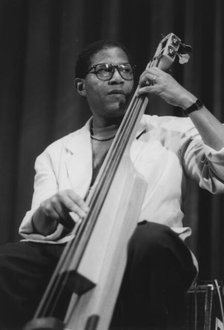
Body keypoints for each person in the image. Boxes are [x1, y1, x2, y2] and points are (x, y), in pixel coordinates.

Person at [0, 39, 224, 330]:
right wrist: (48, 211)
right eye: (104, 70)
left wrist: (185, 100)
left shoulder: (173, 131)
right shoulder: (55, 153)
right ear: (81, 86)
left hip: (149, 251)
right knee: (8, 260)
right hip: (73, 253)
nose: (117, 77)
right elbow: (37, 231)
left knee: (148, 240)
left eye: (124, 70)